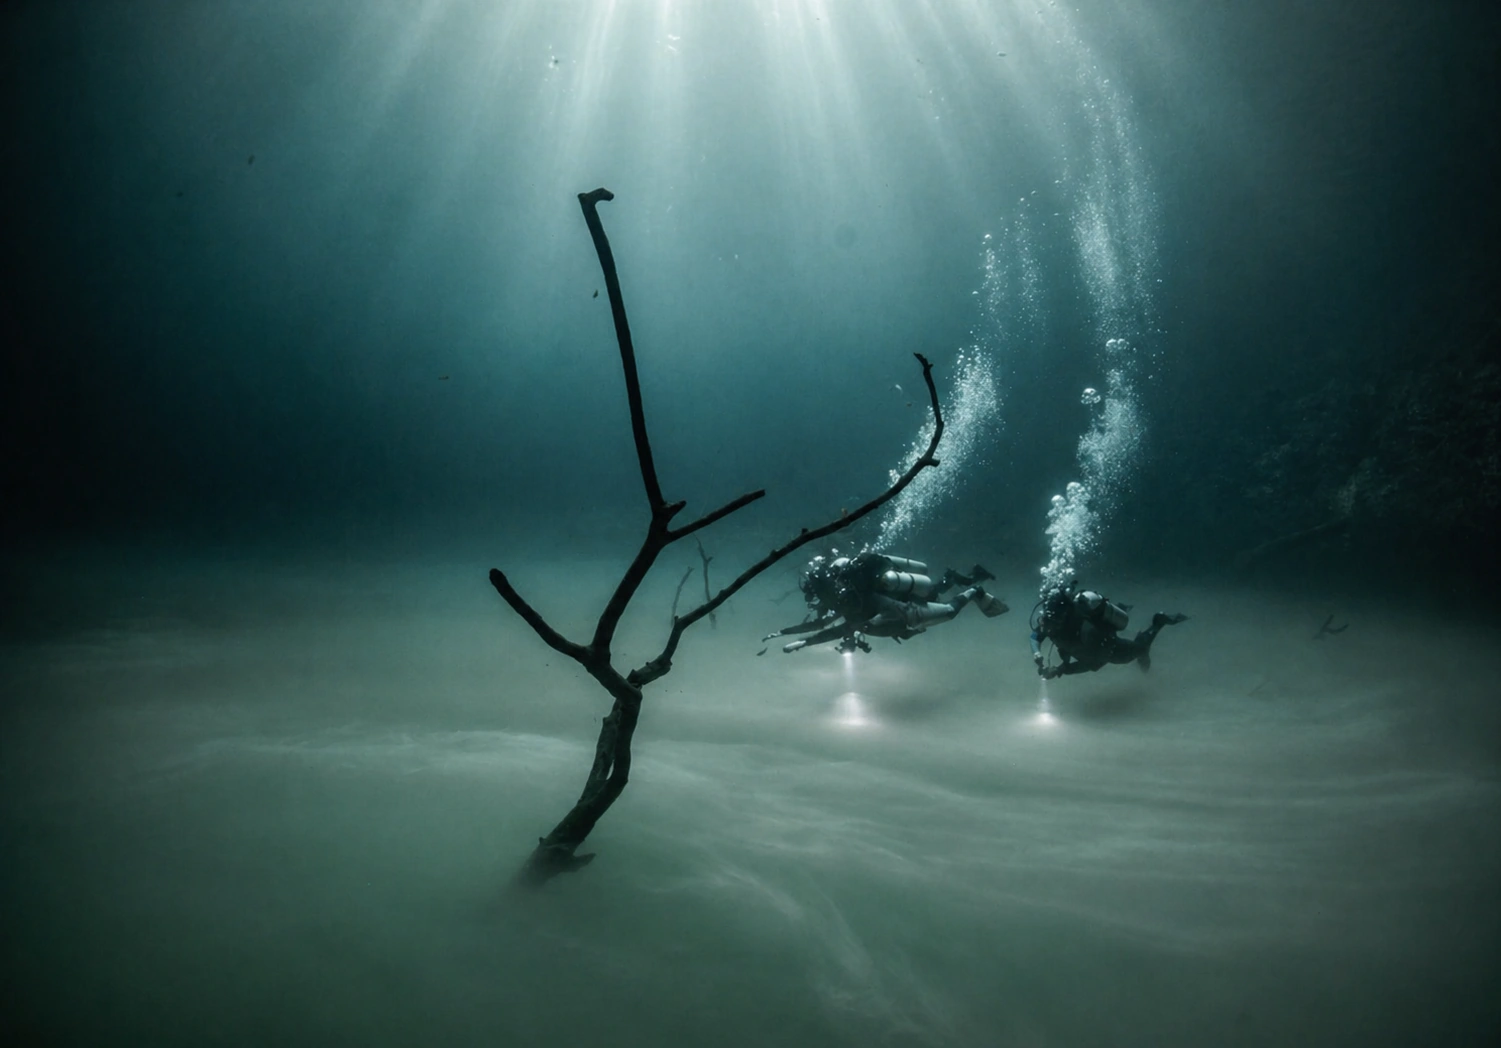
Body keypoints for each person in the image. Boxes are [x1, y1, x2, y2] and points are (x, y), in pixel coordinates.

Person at [767, 551, 1008, 653]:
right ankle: (958, 578)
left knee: (948, 611)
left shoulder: (857, 598)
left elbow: (843, 627)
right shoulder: (849, 600)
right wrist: (798, 641)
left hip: (909, 611)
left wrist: (801, 641)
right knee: (934, 591)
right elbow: (837, 628)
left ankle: (975, 590)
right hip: (905, 611)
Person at [1030, 579, 1187, 678]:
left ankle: (1158, 622)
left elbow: (1095, 663)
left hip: (1112, 649)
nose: (1047, 626)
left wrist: (1060, 670)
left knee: (1141, 649)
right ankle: (1121, 608)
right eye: (1047, 619)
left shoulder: (1089, 632)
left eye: (1052, 621)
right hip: (1088, 646)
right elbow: (1035, 637)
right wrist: (1037, 654)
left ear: (1063, 617)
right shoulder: (1052, 620)